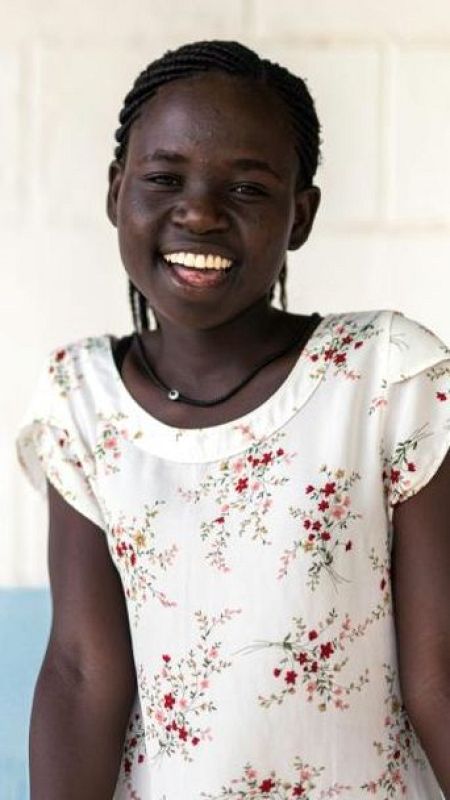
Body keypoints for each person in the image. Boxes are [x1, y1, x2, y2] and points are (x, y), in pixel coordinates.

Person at [15, 40, 450, 800]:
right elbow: (83, 671)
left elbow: (440, 665)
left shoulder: (385, 376)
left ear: (301, 214)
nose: (200, 212)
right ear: (116, 192)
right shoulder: (80, 399)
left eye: (248, 188)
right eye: (163, 178)